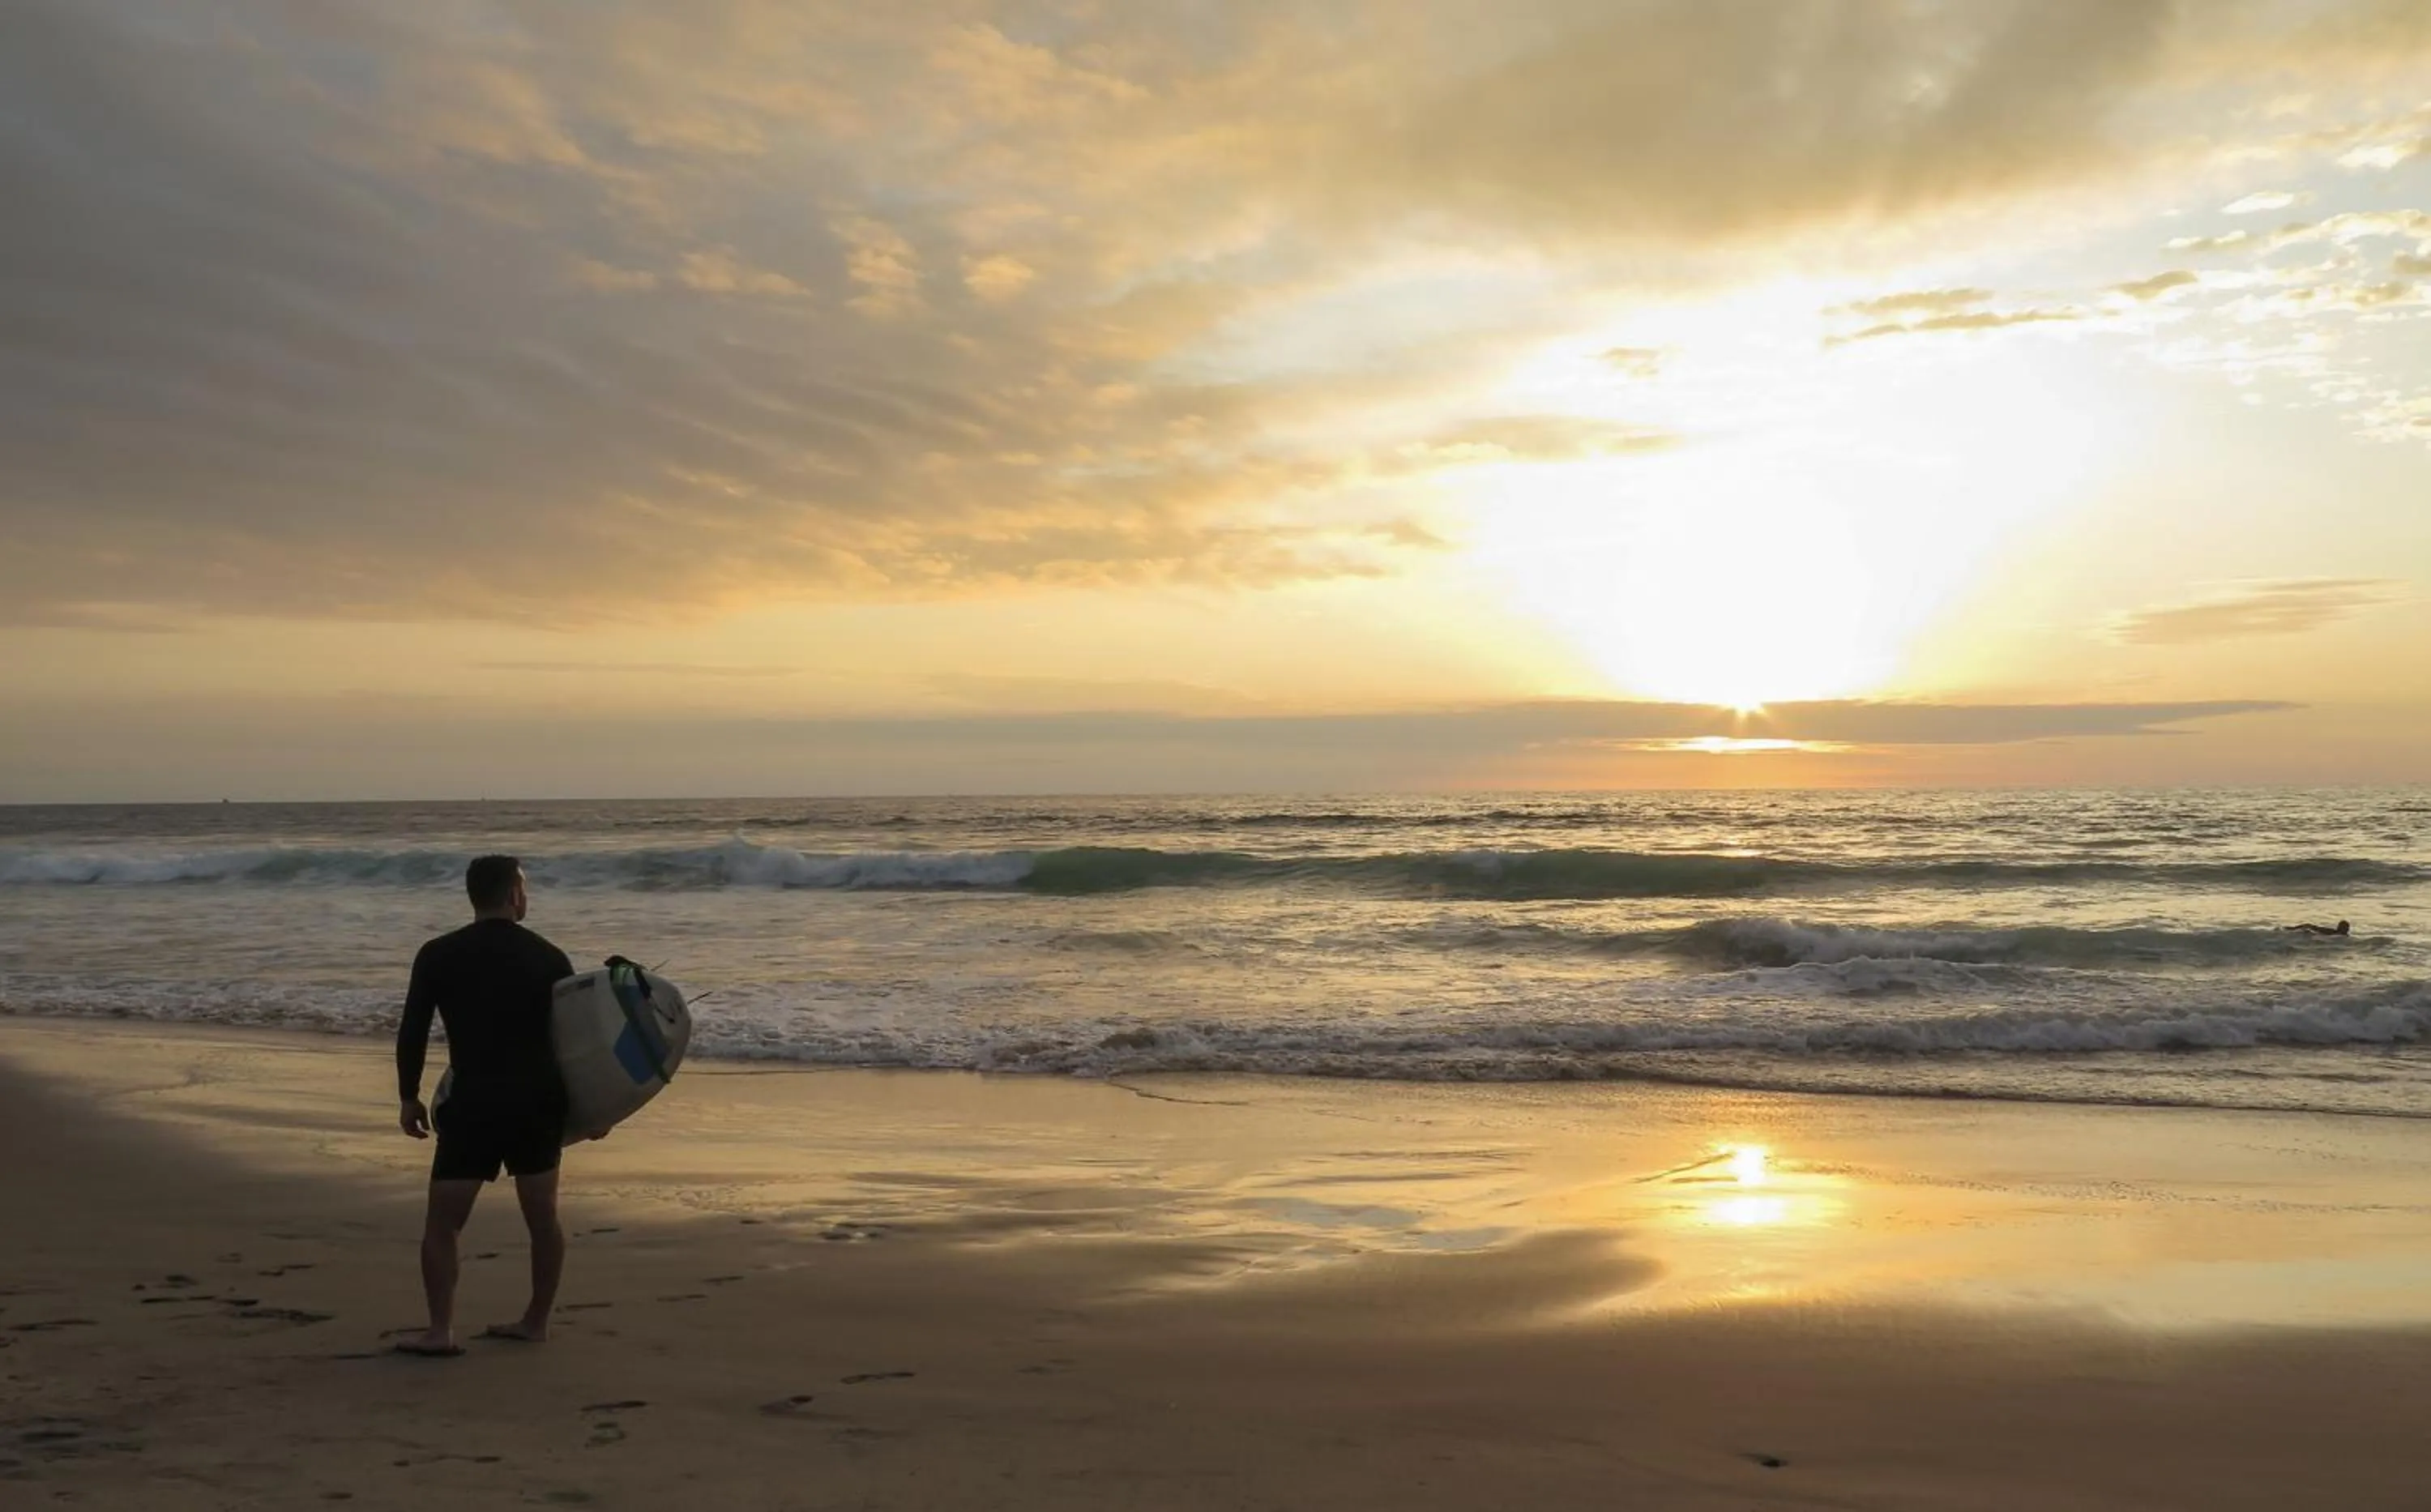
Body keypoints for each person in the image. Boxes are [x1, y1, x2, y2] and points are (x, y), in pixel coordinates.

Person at [393, 855, 577, 1357]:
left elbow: (412, 1030)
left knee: (443, 1225)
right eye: (526, 888)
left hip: (474, 1101)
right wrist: (592, 1108)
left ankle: (440, 1331)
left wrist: (408, 1096)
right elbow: (576, 1042)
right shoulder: (550, 957)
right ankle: (535, 1322)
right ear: (514, 894)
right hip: (537, 1103)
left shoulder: (437, 954)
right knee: (543, 1220)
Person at [2280, 920, 2352, 937]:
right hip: (2311, 928)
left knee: (2292, 929)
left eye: (2347, 927)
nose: (2347, 929)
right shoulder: (2335, 934)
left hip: (2312, 928)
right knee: (2292, 929)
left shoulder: (2337, 934)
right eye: (2346, 927)